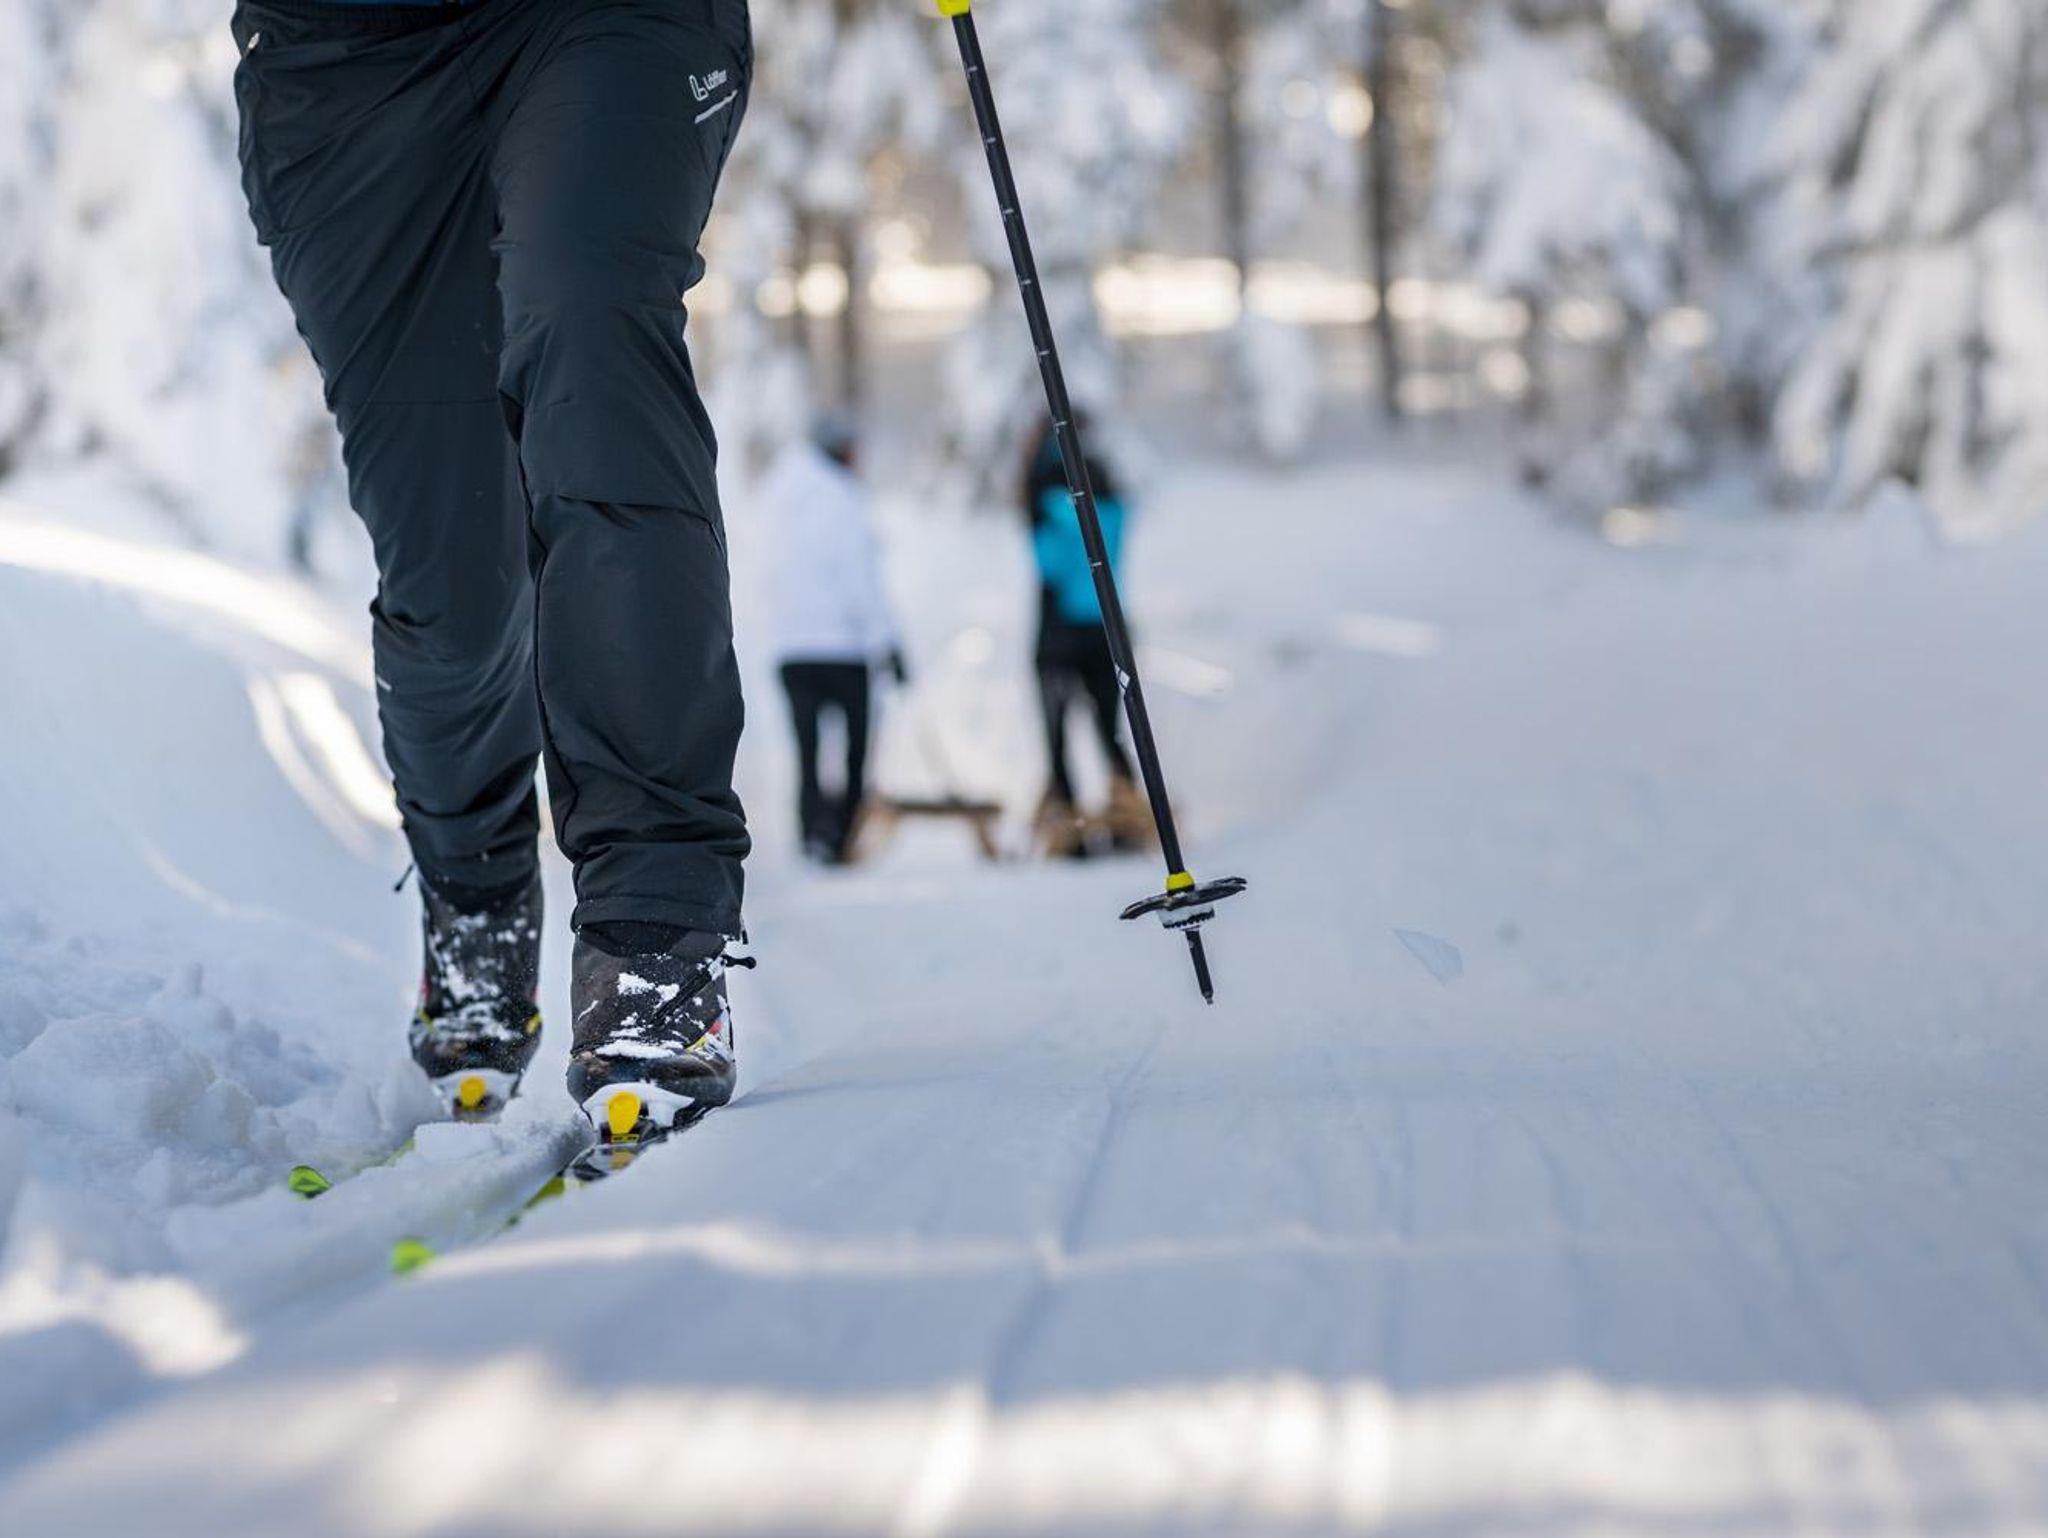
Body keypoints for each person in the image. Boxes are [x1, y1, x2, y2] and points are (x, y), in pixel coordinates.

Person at [229, 0, 753, 1139]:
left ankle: (656, 928)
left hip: (603, 25)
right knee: (452, 583)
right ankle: (474, 895)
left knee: (594, 359)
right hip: (343, 65)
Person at [760, 415, 906, 864]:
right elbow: (858, 578)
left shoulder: (778, 495)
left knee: (808, 751)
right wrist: (886, 641)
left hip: (792, 648)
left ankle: (812, 833)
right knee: (855, 749)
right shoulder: (843, 499)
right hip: (844, 647)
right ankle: (842, 835)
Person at [1021, 419, 1152, 858]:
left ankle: (1069, 832)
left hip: (1058, 636)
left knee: (1057, 735)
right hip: (1108, 633)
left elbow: (1047, 563)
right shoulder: (1113, 510)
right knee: (1109, 731)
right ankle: (1126, 821)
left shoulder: (1048, 504)